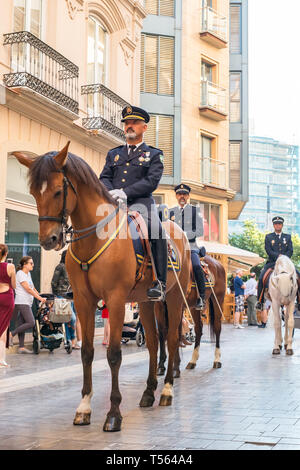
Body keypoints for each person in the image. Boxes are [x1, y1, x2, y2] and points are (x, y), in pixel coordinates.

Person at [100, 106, 168, 301]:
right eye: (127, 123)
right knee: (87, 225)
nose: (129, 126)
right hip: (113, 203)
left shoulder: (154, 154)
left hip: (142, 204)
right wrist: (111, 192)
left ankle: (160, 283)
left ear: (144, 127)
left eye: (134, 123)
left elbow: (151, 181)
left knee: (156, 231)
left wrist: (125, 192)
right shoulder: (114, 154)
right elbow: (104, 176)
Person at [169, 184, 206, 310]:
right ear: (176, 196)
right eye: (179, 194)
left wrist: (185, 234)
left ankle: (201, 297)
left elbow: (200, 231)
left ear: (188, 196)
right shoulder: (170, 212)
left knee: (196, 266)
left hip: (190, 246)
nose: (182, 196)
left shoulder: (195, 211)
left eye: (184, 194)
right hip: (174, 247)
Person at [256, 216, 294, 311]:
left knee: (298, 275)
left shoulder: (287, 237)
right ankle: (260, 301)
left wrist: (284, 258)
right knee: (261, 278)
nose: (278, 225)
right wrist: (278, 256)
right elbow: (268, 250)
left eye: (279, 224)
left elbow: (290, 250)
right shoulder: (269, 237)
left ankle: (299, 301)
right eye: (276, 224)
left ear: (282, 225)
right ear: (273, 225)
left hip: (286, 263)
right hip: (272, 263)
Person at [10, 256, 46, 354]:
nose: (33, 265)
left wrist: (40, 295)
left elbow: (32, 288)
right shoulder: (20, 274)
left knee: (22, 323)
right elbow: (27, 289)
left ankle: (21, 347)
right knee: (31, 322)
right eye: (31, 263)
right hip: (22, 302)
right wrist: (40, 299)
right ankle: (11, 334)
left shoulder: (28, 274)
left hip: (27, 302)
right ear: (25, 264)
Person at [51, 250, 82, 349]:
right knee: (70, 318)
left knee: (70, 319)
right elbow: (53, 282)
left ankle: (70, 342)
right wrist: (56, 295)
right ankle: (70, 340)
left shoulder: (73, 267)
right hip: (62, 296)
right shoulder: (60, 267)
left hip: (72, 297)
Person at [0, 244, 16, 368]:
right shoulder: (10, 267)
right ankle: (2, 360)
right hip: (7, 297)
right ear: (6, 254)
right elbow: (14, 285)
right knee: (4, 328)